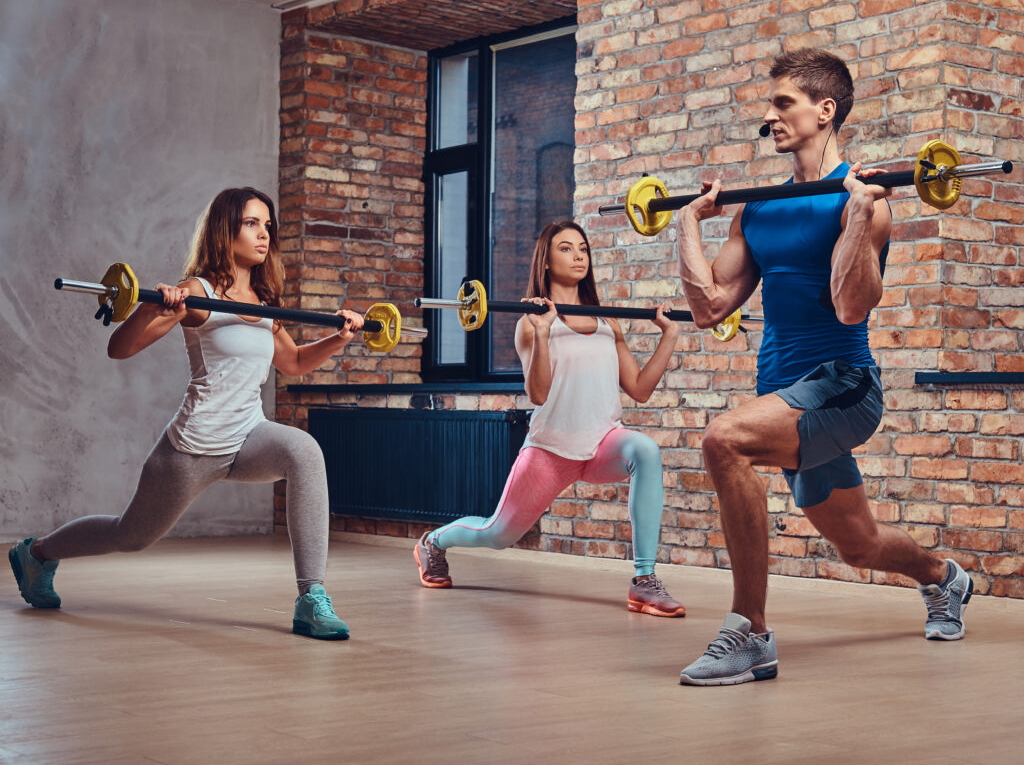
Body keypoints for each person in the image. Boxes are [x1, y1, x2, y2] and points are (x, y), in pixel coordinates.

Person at [674, 49, 973, 685]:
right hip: (784, 394)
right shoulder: (759, 208)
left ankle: (750, 635)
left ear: (824, 110)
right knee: (858, 545)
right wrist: (688, 227)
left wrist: (859, 219)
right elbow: (709, 307)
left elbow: (849, 307)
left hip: (843, 387)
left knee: (724, 440)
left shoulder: (863, 199)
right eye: (771, 104)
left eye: (783, 103)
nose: (769, 116)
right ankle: (944, 578)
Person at [9, 187, 362, 641]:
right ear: (225, 228)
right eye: (251, 223)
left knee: (304, 452)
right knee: (131, 535)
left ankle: (311, 598)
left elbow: (292, 363)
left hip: (248, 436)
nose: (264, 235)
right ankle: (36, 553)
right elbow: (120, 348)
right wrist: (157, 307)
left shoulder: (263, 298)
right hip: (194, 446)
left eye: (267, 225)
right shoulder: (199, 292)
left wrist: (339, 337)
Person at [414, 221, 687, 617]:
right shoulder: (530, 322)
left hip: (601, 444)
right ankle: (433, 542)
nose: (578, 256)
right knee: (498, 534)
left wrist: (670, 338)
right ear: (545, 260)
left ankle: (644, 581)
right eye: (566, 248)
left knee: (644, 450)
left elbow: (640, 389)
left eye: (583, 249)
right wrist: (542, 334)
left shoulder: (609, 321)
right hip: (550, 450)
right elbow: (538, 394)